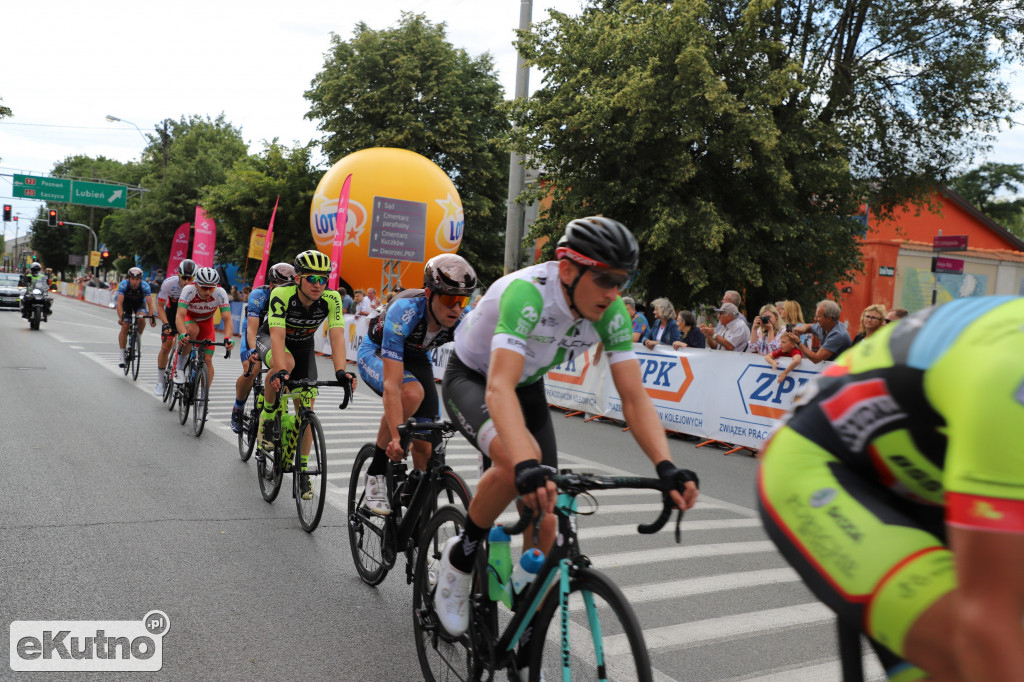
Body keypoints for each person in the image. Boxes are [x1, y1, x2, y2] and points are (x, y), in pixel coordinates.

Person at [434, 216, 700, 644]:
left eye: (622, 280)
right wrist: (523, 462)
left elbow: (633, 398)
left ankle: (526, 627)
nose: (615, 293)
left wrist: (666, 465)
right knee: (512, 465)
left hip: (527, 384)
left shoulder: (609, 311)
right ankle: (460, 560)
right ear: (569, 268)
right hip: (475, 378)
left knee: (547, 515)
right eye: (606, 279)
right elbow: (499, 386)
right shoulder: (528, 294)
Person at [759, 296, 1024, 680]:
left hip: (931, 480)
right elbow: (987, 620)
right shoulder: (1011, 372)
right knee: (976, 654)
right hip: (824, 466)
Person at [356, 254, 476, 515]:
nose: (456, 308)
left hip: (417, 356)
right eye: (448, 299)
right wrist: (397, 437)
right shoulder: (405, 312)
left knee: (426, 443)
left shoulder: (462, 322)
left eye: (462, 300)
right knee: (411, 393)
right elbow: (391, 386)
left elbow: (478, 375)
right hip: (376, 351)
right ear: (428, 293)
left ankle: (416, 512)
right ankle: (376, 474)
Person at [256, 250, 355, 500]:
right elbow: (277, 336)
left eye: (324, 279)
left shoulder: (332, 299)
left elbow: (336, 336)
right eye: (312, 278)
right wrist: (279, 370)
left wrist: (341, 372)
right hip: (271, 338)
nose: (318, 285)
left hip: (304, 346)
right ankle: (267, 418)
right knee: (285, 363)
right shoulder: (282, 294)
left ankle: (302, 470)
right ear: (298, 278)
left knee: (307, 406)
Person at [229, 263, 296, 433]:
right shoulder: (259, 295)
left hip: (278, 333)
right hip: (256, 330)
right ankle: (238, 408)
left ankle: (276, 409)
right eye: (283, 286)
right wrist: (253, 350)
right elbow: (252, 329)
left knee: (287, 367)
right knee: (253, 369)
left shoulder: (295, 297)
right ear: (272, 284)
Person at [173, 267, 234, 388]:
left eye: (211, 288)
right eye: (204, 288)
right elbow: (180, 316)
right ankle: (179, 368)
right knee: (192, 330)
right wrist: (182, 333)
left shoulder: (220, 293)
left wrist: (228, 338)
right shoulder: (188, 290)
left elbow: (227, 319)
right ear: (196, 285)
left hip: (207, 322)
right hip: (189, 318)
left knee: (207, 359)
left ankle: (202, 399)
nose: (208, 292)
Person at [154, 260, 198, 396]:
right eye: (184, 278)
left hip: (187, 314)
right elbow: (160, 306)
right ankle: (161, 382)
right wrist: (166, 323)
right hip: (172, 313)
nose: (186, 281)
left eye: (190, 279)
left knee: (188, 339)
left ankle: (182, 367)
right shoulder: (169, 283)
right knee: (166, 346)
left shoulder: (197, 287)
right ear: (178, 275)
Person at [115, 267, 156, 367]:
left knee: (142, 318)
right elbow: (119, 303)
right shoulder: (124, 285)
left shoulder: (145, 286)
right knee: (125, 325)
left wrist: (151, 317)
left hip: (139, 304)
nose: (134, 281)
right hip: (126, 304)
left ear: (140, 280)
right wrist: (121, 317)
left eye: (137, 279)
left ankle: (138, 337)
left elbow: (150, 304)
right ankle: (122, 355)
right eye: (132, 279)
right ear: (129, 278)